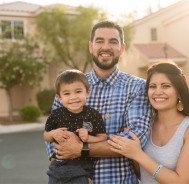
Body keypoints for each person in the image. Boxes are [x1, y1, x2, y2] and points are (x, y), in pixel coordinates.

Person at [45, 20, 152, 183]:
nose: (106, 47)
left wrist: (82, 149)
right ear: (91, 46)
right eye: (100, 41)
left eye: (113, 42)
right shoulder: (69, 88)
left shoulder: (138, 88)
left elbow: (135, 140)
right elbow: (54, 143)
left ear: (122, 49)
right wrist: (73, 177)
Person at [108, 61, 189, 184]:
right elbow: (144, 176)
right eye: (152, 86)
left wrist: (138, 154)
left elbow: (181, 181)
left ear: (179, 91)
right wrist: (132, 156)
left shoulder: (186, 129)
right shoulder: (145, 125)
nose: (157, 92)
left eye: (166, 86)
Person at [44, 69, 107, 184]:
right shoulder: (56, 115)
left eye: (78, 91)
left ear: (87, 92)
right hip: (58, 166)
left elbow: (102, 137)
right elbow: (46, 136)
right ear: (59, 97)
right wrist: (53, 134)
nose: (73, 97)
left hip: (81, 168)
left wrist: (88, 138)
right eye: (67, 93)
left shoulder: (92, 115)